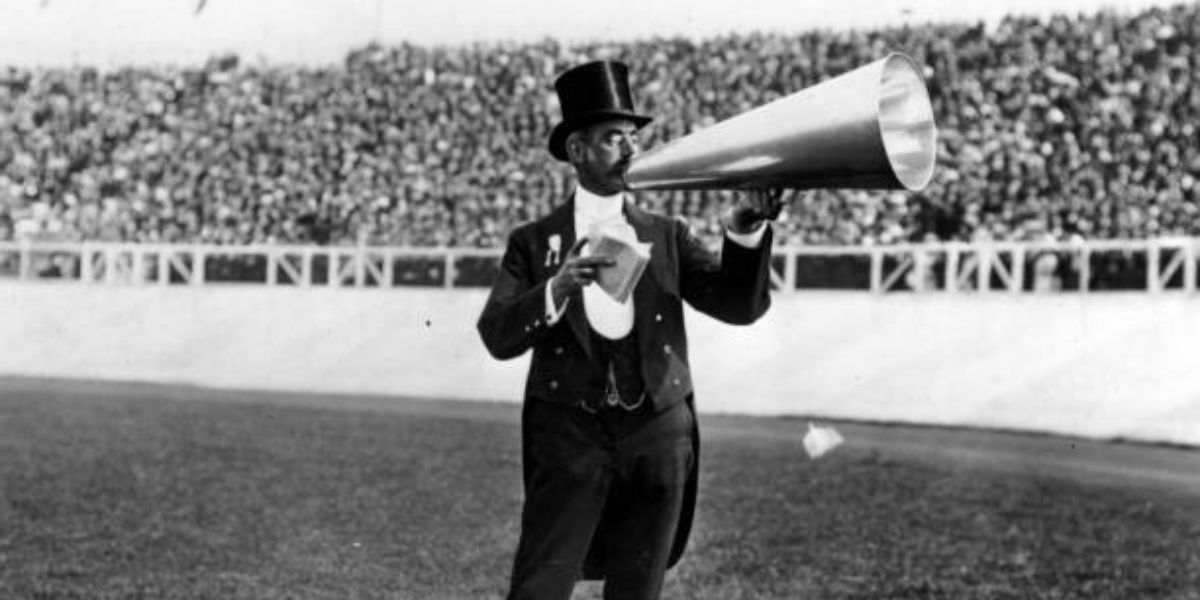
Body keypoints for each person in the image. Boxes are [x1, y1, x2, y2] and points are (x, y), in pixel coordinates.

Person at [477, 60, 783, 600]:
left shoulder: (667, 234)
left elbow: (741, 306)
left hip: (659, 436)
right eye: (613, 137)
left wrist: (744, 233)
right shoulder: (532, 241)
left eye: (632, 137)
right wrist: (559, 286)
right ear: (577, 150)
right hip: (569, 437)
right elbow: (498, 335)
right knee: (539, 586)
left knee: (638, 590)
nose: (629, 149)